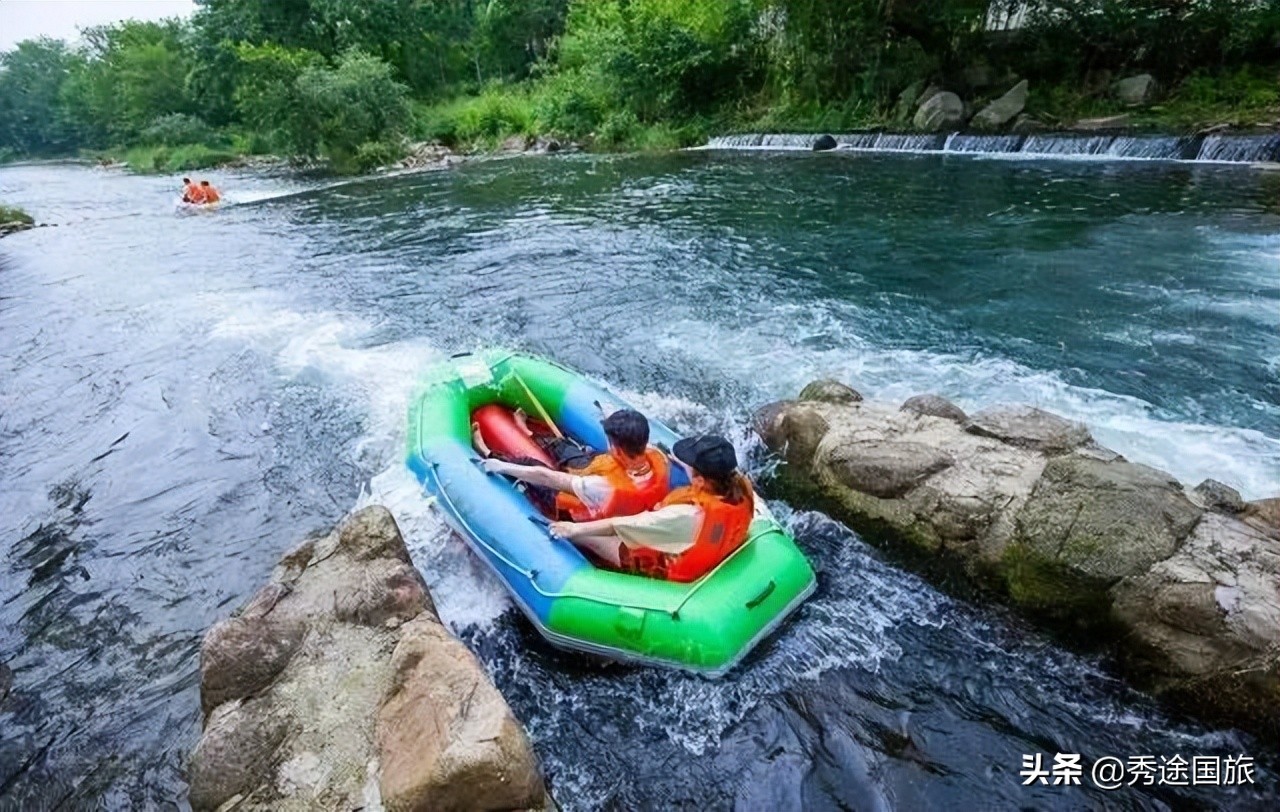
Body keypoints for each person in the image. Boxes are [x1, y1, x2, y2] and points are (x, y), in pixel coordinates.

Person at [547, 435, 756, 582]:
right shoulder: (742, 489)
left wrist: (574, 529)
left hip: (661, 562)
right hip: (703, 548)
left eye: (689, 464)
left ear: (700, 480)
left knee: (584, 532)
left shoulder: (687, 515)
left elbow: (620, 525)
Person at [480, 409, 670, 521]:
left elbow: (547, 478)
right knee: (565, 448)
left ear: (617, 449)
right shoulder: (659, 457)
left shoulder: (603, 486)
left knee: (528, 464)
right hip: (608, 477)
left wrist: (500, 467)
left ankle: (487, 452)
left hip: (580, 507)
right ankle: (529, 433)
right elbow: (623, 451)